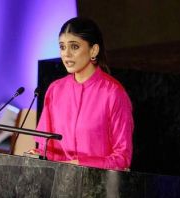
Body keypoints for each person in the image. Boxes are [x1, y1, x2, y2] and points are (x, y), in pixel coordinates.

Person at [32, 17, 134, 171]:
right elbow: (47, 148)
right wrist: (36, 155)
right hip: (60, 185)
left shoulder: (113, 94)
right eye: (62, 47)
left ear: (94, 50)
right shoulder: (55, 90)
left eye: (74, 46)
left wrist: (81, 164)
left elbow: (122, 159)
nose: (66, 54)